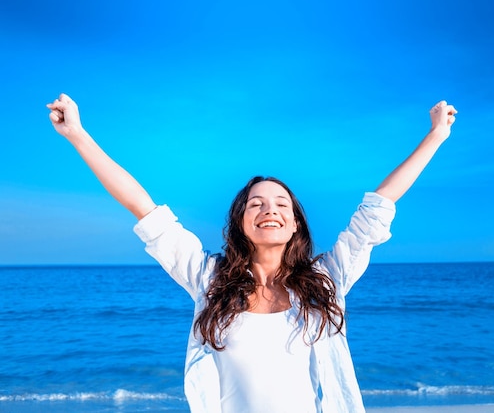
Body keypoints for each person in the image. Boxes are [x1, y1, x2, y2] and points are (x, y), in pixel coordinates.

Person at [47, 93, 457, 413]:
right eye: (256, 203)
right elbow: (144, 208)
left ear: (295, 222)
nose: (269, 210)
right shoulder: (208, 279)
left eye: (281, 203)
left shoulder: (327, 280)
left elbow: (379, 206)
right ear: (241, 220)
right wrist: (79, 136)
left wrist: (435, 136)